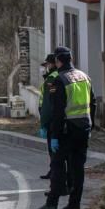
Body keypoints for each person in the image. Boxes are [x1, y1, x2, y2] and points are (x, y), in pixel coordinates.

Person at [32, 46, 96, 209]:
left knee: (57, 165)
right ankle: (74, 205)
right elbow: (93, 104)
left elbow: (58, 111)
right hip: (83, 128)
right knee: (78, 168)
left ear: (58, 61)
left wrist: (54, 134)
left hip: (66, 130)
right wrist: (91, 125)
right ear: (71, 59)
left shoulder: (60, 80)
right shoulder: (84, 77)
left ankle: (51, 204)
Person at [37, 54, 61, 182]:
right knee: (55, 151)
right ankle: (53, 171)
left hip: (52, 120)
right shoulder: (53, 77)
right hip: (55, 118)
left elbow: (48, 104)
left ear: (53, 64)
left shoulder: (52, 78)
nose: (46, 67)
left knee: (54, 151)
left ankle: (56, 176)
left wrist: (43, 124)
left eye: (48, 64)